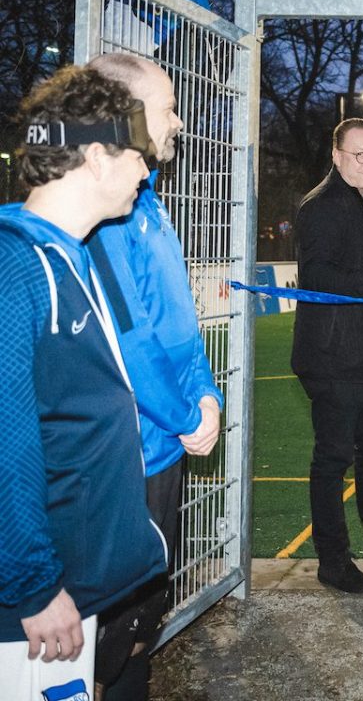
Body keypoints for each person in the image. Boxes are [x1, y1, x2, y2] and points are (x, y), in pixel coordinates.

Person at [0, 66, 167, 700]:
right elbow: (5, 445)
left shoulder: (70, 252)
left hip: (78, 582)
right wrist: (33, 587)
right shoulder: (16, 267)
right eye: (137, 157)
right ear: (97, 157)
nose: (146, 173)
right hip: (40, 600)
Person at [79, 53, 223, 700]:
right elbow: (130, 341)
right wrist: (187, 415)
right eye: (167, 106)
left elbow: (181, 327)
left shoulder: (150, 204)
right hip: (125, 460)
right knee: (106, 640)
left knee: (141, 624)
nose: (180, 119)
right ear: (126, 116)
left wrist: (207, 395)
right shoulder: (102, 218)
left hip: (165, 451)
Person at [291, 117, 363, 594]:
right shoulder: (321, 206)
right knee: (333, 458)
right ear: (336, 156)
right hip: (335, 356)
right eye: (360, 154)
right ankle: (332, 559)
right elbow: (315, 272)